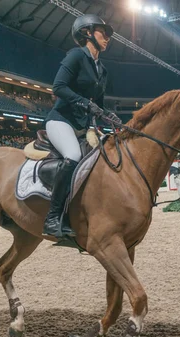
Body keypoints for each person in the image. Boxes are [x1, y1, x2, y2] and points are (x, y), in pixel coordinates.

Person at [43, 14, 120, 238]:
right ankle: (53, 218)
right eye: (102, 32)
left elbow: (100, 105)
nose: (107, 37)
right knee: (74, 156)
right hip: (61, 120)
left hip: (83, 126)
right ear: (87, 33)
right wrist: (86, 104)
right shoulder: (76, 56)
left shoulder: (102, 70)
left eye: (107, 34)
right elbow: (58, 87)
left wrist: (109, 116)